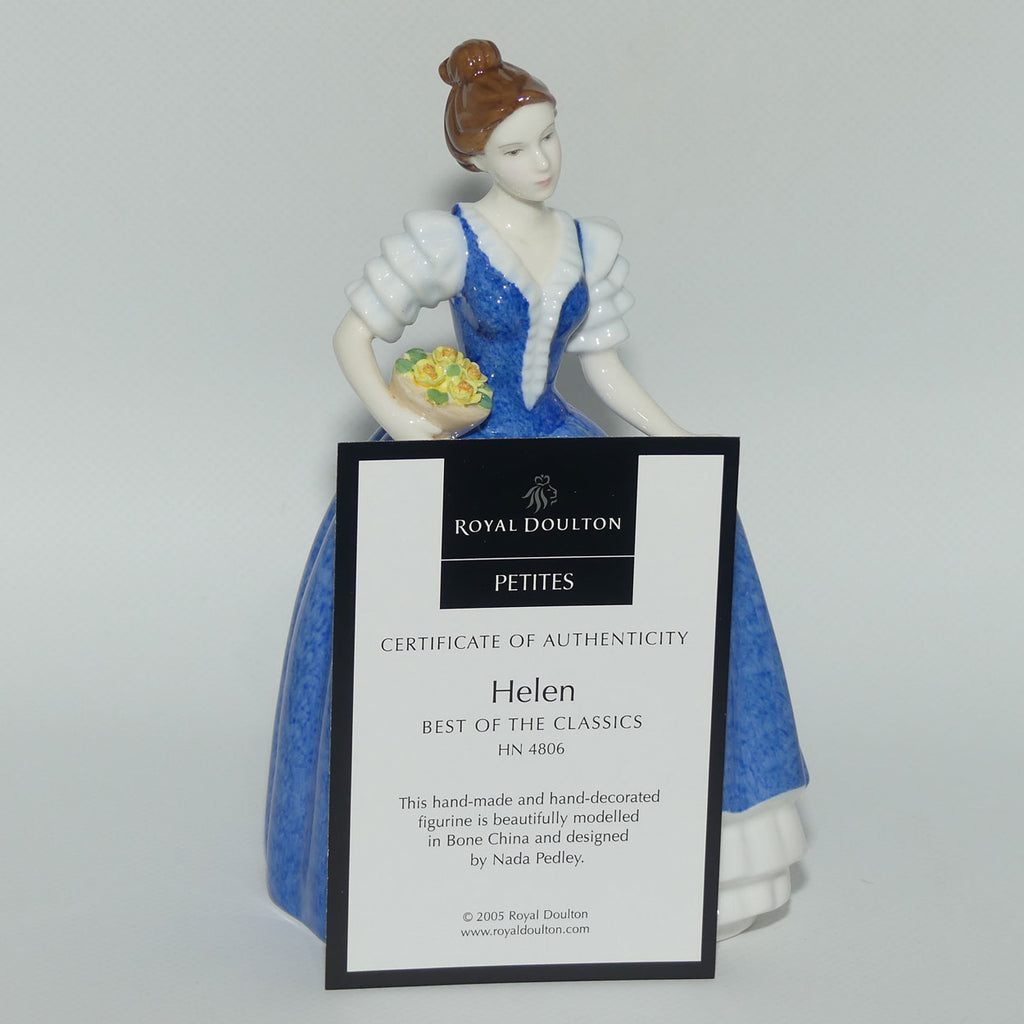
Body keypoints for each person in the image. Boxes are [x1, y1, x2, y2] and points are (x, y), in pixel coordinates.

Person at [265, 39, 808, 942]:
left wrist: (680, 446)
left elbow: (605, 371)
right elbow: (353, 337)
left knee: (700, 550)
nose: (542, 161)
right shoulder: (446, 240)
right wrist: (404, 428)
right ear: (476, 157)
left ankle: (672, 846)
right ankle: (408, 862)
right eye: (517, 148)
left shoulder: (593, 244)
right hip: (467, 448)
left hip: (556, 441)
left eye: (550, 137)